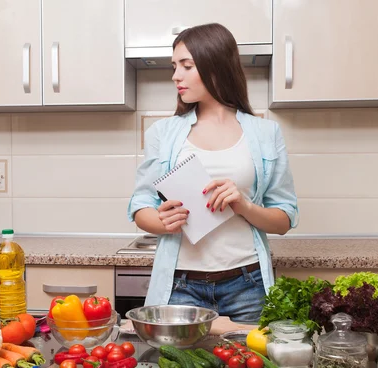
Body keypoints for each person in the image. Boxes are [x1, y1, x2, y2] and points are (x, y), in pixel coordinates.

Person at [127, 23, 299, 323]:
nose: (175, 76)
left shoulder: (265, 133)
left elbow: (284, 218)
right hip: (180, 285)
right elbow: (140, 206)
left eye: (186, 66)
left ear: (215, 66)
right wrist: (163, 221)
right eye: (174, 66)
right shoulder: (162, 134)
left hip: (248, 284)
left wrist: (243, 205)